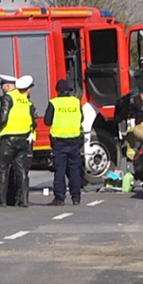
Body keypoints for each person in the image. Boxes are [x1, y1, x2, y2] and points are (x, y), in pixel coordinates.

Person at [0, 74, 35, 207]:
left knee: (2, 168)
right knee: (21, 170)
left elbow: (3, 118)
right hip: (22, 138)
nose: (2, 88)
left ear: (7, 86)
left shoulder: (8, 98)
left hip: (9, 138)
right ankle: (23, 200)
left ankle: (1, 200)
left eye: (2, 85)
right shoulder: (24, 99)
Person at [45, 78, 83, 206]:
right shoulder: (76, 102)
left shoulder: (54, 103)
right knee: (74, 169)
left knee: (59, 170)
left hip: (59, 142)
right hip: (74, 140)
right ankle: (76, 197)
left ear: (57, 91)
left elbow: (47, 121)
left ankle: (59, 198)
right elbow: (81, 118)